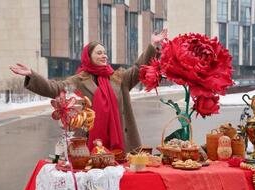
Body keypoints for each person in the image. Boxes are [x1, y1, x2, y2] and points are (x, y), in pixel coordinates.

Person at [10, 29, 168, 153]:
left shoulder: (119, 78)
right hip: (89, 145)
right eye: (99, 53)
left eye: (105, 52)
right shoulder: (78, 81)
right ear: (88, 57)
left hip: (121, 144)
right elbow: (55, 88)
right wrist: (32, 75)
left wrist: (153, 45)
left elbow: (138, 68)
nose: (104, 56)